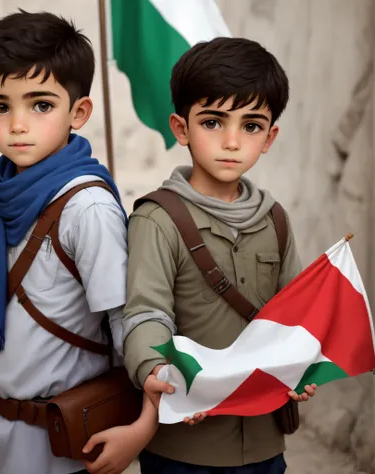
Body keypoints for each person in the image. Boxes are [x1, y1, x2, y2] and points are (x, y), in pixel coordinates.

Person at [0, 10, 157, 474]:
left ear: (79, 111)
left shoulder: (86, 208)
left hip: (60, 444)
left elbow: (122, 319)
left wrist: (144, 421)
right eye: (0, 106)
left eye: (40, 105)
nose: (17, 124)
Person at [122, 37, 317, 474]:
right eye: (213, 122)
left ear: (270, 137)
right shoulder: (158, 220)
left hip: (266, 441)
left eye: (250, 126)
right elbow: (144, 312)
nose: (231, 141)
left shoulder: (275, 221)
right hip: (186, 444)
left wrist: (304, 368)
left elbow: (296, 316)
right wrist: (156, 369)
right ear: (180, 127)